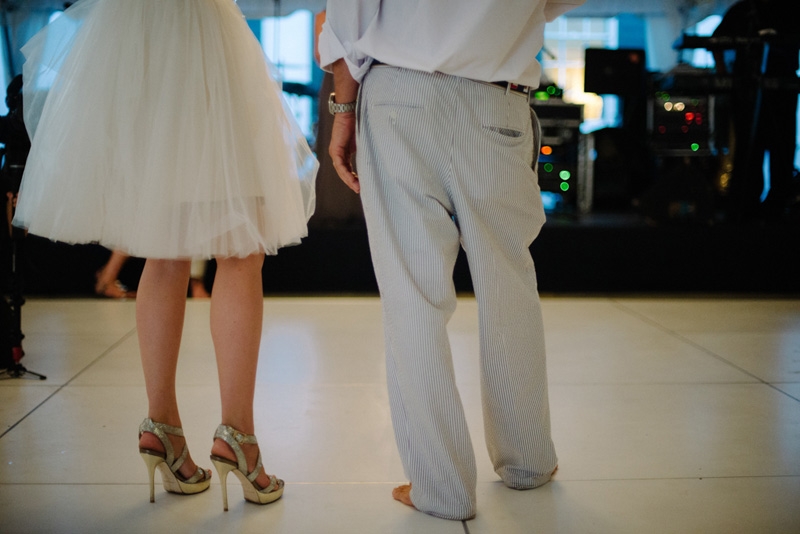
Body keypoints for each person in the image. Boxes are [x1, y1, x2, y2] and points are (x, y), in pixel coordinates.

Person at [13, 0, 317, 509]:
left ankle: (163, 430)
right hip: (201, 35)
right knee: (240, 249)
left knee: (163, 244)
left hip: (133, 42)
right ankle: (238, 438)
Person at [319, 0, 584, 521]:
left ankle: (441, 486)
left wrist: (343, 112)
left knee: (412, 294)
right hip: (497, 98)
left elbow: (348, 20)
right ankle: (527, 459)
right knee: (509, 286)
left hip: (400, 96)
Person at [712, 0, 799, 221]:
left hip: (770, 87)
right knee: (757, 147)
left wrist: (724, 74)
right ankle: (756, 203)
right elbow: (716, 41)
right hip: (754, 88)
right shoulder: (747, 9)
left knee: (766, 147)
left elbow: (716, 41)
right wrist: (725, 76)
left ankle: (765, 203)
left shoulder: (756, 9)